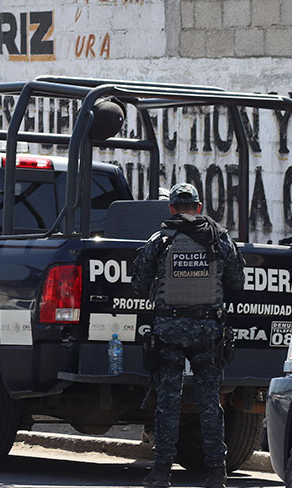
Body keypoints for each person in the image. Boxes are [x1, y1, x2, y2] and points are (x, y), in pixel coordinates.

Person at [132, 183, 243, 488]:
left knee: (168, 401)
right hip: (208, 331)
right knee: (210, 403)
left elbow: (139, 284)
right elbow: (236, 281)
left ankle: (161, 472)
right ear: (198, 206)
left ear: (171, 208)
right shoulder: (220, 240)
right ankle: (216, 473)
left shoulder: (160, 240)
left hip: (169, 330)